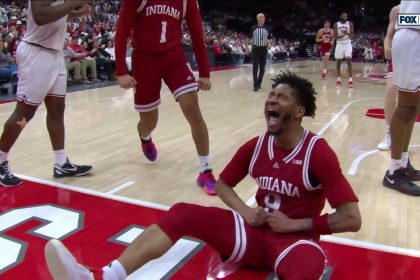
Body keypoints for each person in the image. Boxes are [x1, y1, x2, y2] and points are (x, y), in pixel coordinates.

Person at [44, 71, 361, 280]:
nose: (271, 100)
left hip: (294, 242)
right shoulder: (257, 145)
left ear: (298, 111)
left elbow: (351, 218)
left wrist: (297, 224)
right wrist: (245, 211)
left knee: (310, 267)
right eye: (271, 95)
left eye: (282, 97)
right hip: (252, 235)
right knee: (183, 212)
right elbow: (223, 184)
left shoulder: (317, 152)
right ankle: (104, 276)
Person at [114, 0, 216, 195]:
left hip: (174, 57)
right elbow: (122, 32)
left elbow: (197, 36)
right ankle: (145, 137)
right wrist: (121, 71)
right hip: (144, 59)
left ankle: (206, 170)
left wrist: (204, 72)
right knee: (149, 121)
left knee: (192, 109)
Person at [0, 0, 93, 187]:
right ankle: (1, 160)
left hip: (55, 55)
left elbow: (57, 15)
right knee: (25, 114)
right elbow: (41, 16)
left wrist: (76, 13)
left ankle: (61, 163)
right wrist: (75, 3)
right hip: (36, 53)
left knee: (57, 110)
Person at [383, 1, 420, 195]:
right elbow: (404, 20)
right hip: (413, 38)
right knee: (406, 107)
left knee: (413, 107)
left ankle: (403, 163)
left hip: (413, 35)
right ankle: (394, 171)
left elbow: (405, 18)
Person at [377, 5, 399, 151]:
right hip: (399, 55)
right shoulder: (397, 10)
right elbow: (389, 35)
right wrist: (386, 47)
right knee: (391, 90)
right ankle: (389, 135)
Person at [251, 13, 271, 92]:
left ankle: (259, 83)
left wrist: (269, 42)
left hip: (264, 49)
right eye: (261, 17)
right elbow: (249, 37)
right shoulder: (253, 28)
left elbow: (271, 39)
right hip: (255, 49)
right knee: (255, 67)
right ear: (258, 19)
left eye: (264, 17)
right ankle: (255, 85)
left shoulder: (267, 28)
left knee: (262, 68)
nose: (263, 18)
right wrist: (246, 47)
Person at [333, 12, 354, 88]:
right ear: (341, 16)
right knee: (338, 61)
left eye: (346, 16)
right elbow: (335, 37)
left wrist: (347, 33)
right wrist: (344, 34)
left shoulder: (350, 24)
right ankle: (338, 80)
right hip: (339, 44)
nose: (346, 17)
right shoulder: (336, 24)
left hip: (348, 43)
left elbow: (352, 36)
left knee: (349, 60)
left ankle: (350, 80)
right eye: (344, 16)